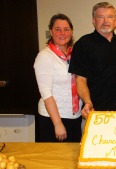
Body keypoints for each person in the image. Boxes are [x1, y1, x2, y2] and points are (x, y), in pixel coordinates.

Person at [69, 2, 116, 119]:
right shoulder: (83, 44)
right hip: (95, 112)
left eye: (110, 17)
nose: (106, 21)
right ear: (93, 21)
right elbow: (80, 79)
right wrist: (88, 102)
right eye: (101, 17)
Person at [34, 13, 83, 142]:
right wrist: (57, 123)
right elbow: (46, 93)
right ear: (51, 31)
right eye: (57, 29)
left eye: (66, 29)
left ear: (71, 32)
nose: (62, 33)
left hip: (74, 116)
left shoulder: (75, 54)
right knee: (53, 160)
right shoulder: (45, 56)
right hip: (53, 119)